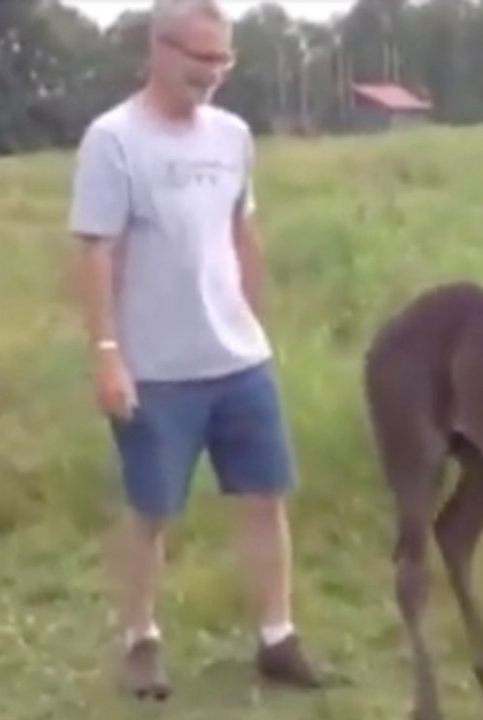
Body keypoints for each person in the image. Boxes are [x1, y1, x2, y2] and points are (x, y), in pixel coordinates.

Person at [66, 0, 323, 699]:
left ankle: (277, 638)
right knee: (152, 510)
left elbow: (242, 233)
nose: (212, 75)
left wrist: (256, 322)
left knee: (266, 497)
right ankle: (140, 640)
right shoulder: (112, 139)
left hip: (239, 361)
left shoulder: (232, 136)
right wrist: (106, 352)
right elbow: (95, 251)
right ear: (158, 50)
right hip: (156, 370)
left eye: (223, 61)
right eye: (199, 59)